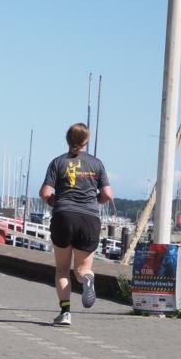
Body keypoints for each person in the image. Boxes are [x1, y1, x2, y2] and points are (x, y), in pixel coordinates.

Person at [39, 122, 113, 326]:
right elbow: (107, 194)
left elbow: (45, 193)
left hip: (63, 216)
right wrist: (96, 201)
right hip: (89, 218)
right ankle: (87, 278)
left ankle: (65, 312)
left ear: (67, 139)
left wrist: (55, 202)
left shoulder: (57, 162)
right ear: (86, 141)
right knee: (81, 269)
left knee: (63, 269)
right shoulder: (96, 164)